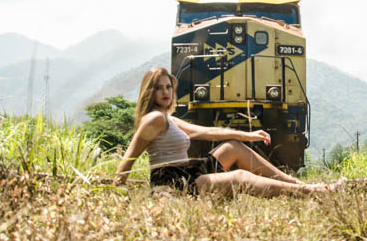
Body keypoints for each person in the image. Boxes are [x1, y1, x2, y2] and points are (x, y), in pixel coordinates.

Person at [113, 66, 339, 196]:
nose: (165, 92)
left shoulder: (166, 118)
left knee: (233, 147)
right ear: (148, 92)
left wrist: (248, 135)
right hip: (174, 184)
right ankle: (313, 192)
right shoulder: (153, 119)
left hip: (191, 173)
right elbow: (128, 158)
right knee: (240, 177)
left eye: (168, 87)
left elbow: (206, 132)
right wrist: (116, 193)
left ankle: (297, 183)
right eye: (158, 88)